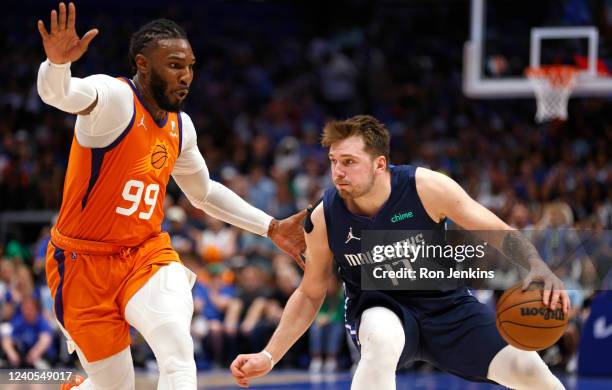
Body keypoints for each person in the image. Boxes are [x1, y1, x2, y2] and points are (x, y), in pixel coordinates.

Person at [36, 3, 306, 389]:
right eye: (175, 66)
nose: (187, 77)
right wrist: (58, 66)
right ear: (143, 64)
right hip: (82, 264)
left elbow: (204, 193)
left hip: (146, 254)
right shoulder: (113, 98)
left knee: (179, 357)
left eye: (191, 66)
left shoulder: (182, 126)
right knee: (115, 386)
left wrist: (272, 227)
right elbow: (61, 95)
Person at [231, 115, 570, 389]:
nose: (338, 172)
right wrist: (269, 355)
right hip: (381, 306)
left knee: (531, 371)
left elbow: (496, 230)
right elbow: (309, 292)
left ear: (380, 164)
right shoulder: (324, 215)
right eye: (334, 161)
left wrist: (535, 264)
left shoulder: (426, 187)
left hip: (447, 306)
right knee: (380, 341)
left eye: (349, 162)